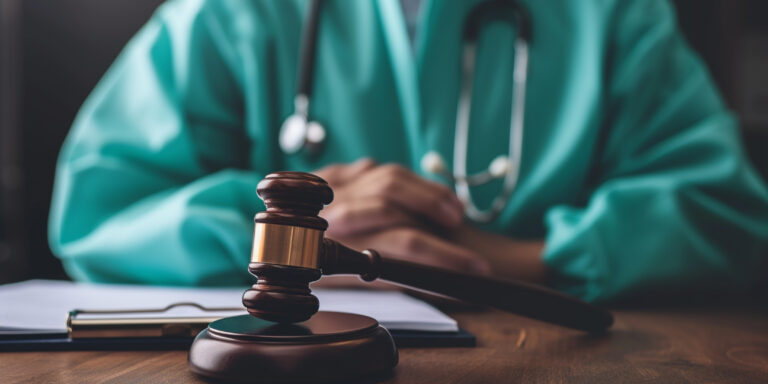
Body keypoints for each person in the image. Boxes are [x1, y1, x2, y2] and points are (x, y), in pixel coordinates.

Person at [49, 0, 768, 302]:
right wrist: (284, 241)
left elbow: (727, 217)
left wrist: (507, 264)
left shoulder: (612, 17)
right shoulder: (229, 14)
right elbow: (97, 215)